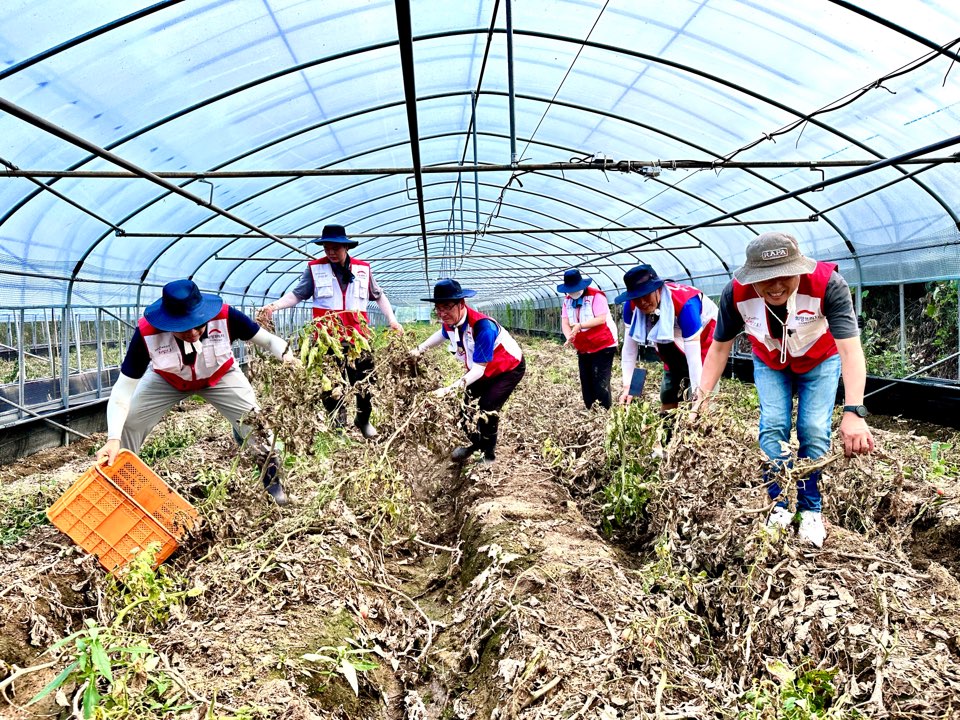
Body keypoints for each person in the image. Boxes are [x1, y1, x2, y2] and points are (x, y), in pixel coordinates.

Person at [695, 232, 875, 547]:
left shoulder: (827, 285)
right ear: (751, 277)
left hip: (820, 358)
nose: (776, 285)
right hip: (769, 360)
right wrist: (701, 400)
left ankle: (810, 511)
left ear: (799, 269)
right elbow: (718, 348)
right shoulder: (735, 294)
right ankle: (777, 506)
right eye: (765, 278)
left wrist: (854, 411)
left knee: (814, 428)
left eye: (785, 275)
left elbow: (850, 350)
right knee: (773, 426)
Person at [95, 279, 296, 505]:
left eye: (198, 325)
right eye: (183, 328)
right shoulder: (147, 333)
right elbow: (123, 389)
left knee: (258, 425)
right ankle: (124, 485)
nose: (192, 333)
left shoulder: (226, 316)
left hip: (219, 375)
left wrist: (287, 357)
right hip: (167, 379)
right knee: (129, 423)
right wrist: (112, 438)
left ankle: (275, 488)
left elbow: (268, 340)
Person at [259, 224, 402, 439]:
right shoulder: (315, 269)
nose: (331, 252)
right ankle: (338, 426)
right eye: (327, 248)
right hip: (326, 339)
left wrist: (392, 320)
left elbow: (379, 295)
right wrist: (274, 306)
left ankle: (363, 421)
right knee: (330, 386)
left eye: (335, 248)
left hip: (358, 339)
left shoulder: (363, 269)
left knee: (365, 383)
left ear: (346, 248)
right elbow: (297, 295)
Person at [409, 279, 525, 465]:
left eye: (447, 307)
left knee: (488, 406)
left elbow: (479, 370)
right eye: (438, 308)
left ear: (461, 304)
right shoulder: (452, 321)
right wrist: (419, 349)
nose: (442, 313)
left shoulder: (483, 328)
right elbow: (443, 333)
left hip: (508, 368)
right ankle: (474, 444)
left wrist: (447, 390)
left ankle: (489, 455)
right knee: (463, 403)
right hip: (484, 369)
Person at [616, 264, 718, 411]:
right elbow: (629, 349)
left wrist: (698, 395)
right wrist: (628, 385)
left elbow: (694, 357)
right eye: (637, 298)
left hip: (703, 338)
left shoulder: (686, 304)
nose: (642, 302)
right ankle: (667, 428)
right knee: (668, 392)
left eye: (646, 295)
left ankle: (699, 422)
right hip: (671, 340)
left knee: (700, 394)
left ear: (657, 289)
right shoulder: (631, 307)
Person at [556, 268, 618, 409]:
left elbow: (601, 319)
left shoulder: (596, 296)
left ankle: (604, 411)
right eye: (570, 290)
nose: (573, 293)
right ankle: (590, 409)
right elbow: (565, 322)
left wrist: (580, 325)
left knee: (600, 381)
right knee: (586, 380)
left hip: (603, 344)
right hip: (584, 346)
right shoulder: (567, 302)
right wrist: (569, 337)